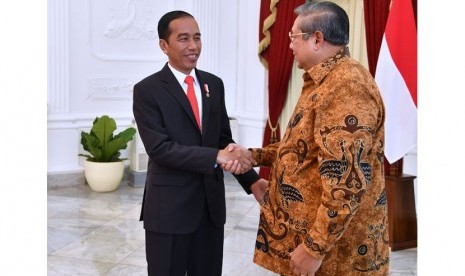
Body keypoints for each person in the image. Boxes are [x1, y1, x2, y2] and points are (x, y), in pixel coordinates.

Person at [226, 2, 389, 275]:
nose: (289, 45)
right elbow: (303, 147)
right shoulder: (324, 79)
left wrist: (315, 248)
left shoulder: (346, 87)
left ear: (317, 39)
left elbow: (348, 181)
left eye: (293, 37)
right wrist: (253, 155)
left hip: (337, 258)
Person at [132, 10, 267, 276]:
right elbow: (160, 149)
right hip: (169, 211)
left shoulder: (213, 85)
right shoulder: (147, 90)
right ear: (164, 45)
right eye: (183, 39)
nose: (193, 46)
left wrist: (251, 180)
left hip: (210, 210)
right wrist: (214, 157)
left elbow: (224, 141)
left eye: (197, 38)